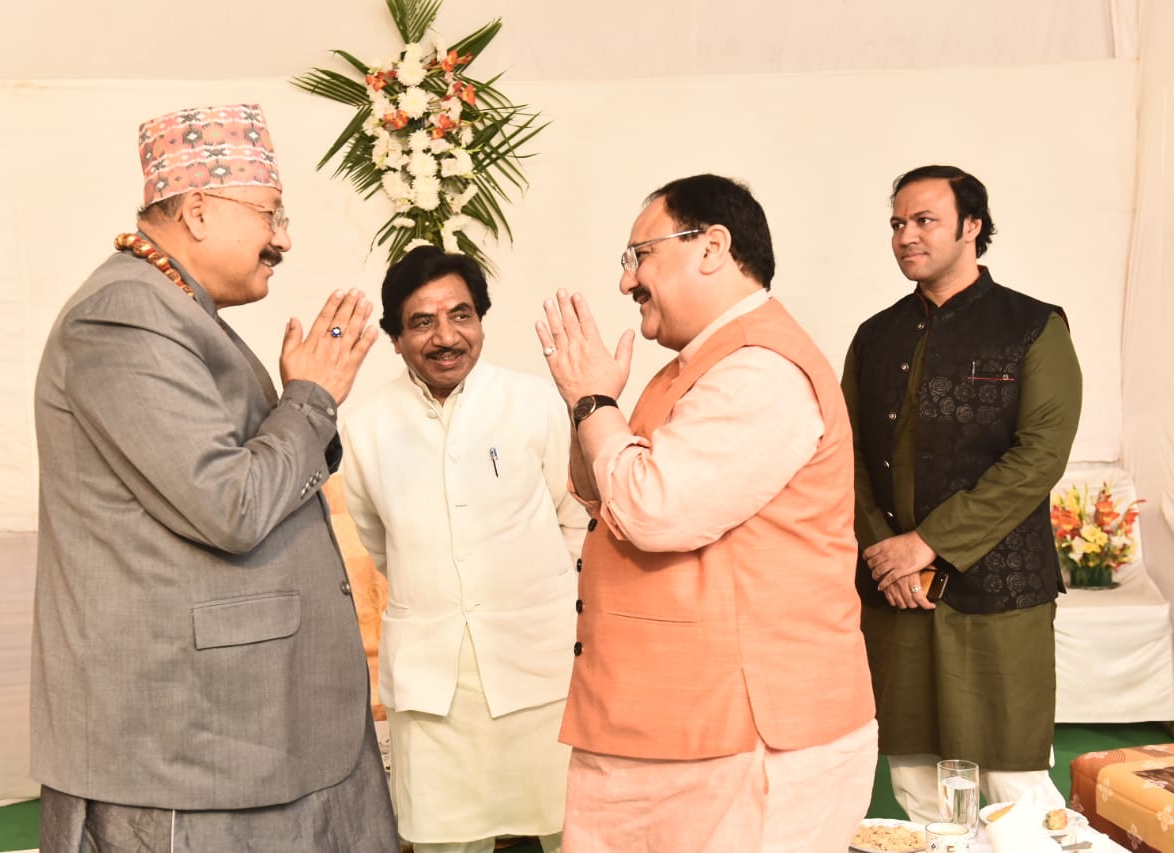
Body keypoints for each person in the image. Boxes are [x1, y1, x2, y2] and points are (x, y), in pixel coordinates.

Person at [31, 103, 399, 852]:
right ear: (198, 210)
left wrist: (304, 399)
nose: (284, 237)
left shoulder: (174, 309)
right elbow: (230, 503)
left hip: (249, 731)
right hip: (195, 748)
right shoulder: (123, 318)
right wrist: (312, 397)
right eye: (270, 212)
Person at [535, 173, 878, 851]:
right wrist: (589, 401)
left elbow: (655, 508)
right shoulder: (691, 367)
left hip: (745, 735)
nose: (627, 282)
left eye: (640, 256)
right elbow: (603, 492)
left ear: (712, 247)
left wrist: (593, 403)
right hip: (665, 726)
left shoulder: (761, 369)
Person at [841, 164, 1083, 822]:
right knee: (917, 781)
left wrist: (927, 543)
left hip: (998, 589)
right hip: (897, 593)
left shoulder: (1033, 327)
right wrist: (886, 555)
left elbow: (1039, 458)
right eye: (897, 223)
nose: (906, 236)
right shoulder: (875, 335)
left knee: (1016, 790)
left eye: (924, 220)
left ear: (971, 226)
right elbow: (846, 454)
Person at [340, 245, 588, 853]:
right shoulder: (365, 427)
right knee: (443, 840)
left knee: (572, 834)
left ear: (481, 319)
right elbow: (380, 542)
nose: (447, 337)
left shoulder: (533, 403)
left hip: (539, 670)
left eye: (462, 315)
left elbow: (574, 518)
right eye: (422, 322)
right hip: (433, 684)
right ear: (394, 337)